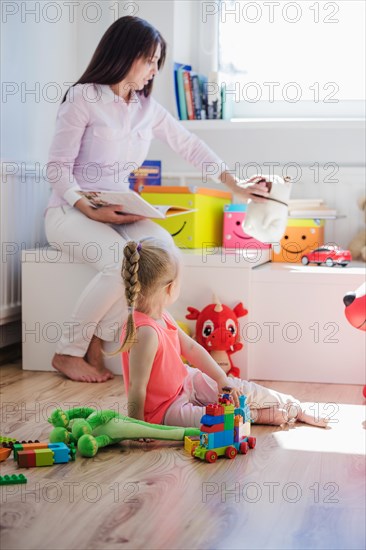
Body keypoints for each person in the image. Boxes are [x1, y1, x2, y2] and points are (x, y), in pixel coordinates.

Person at [44, 15, 270, 384]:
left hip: (120, 207)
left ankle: (115, 341)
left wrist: (237, 184)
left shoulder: (146, 109)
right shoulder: (85, 97)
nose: (154, 70)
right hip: (70, 209)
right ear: (125, 54)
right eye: (150, 60)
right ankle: (67, 351)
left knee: (164, 253)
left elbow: (191, 145)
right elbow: (56, 167)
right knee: (119, 262)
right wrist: (88, 209)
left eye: (157, 62)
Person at [119, 239, 329, 429]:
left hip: (185, 382)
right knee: (211, 420)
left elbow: (191, 348)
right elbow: (137, 387)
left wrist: (221, 378)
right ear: (170, 287)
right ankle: (257, 415)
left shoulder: (162, 315)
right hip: (164, 410)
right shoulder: (145, 333)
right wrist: (137, 428)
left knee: (236, 388)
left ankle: (294, 406)